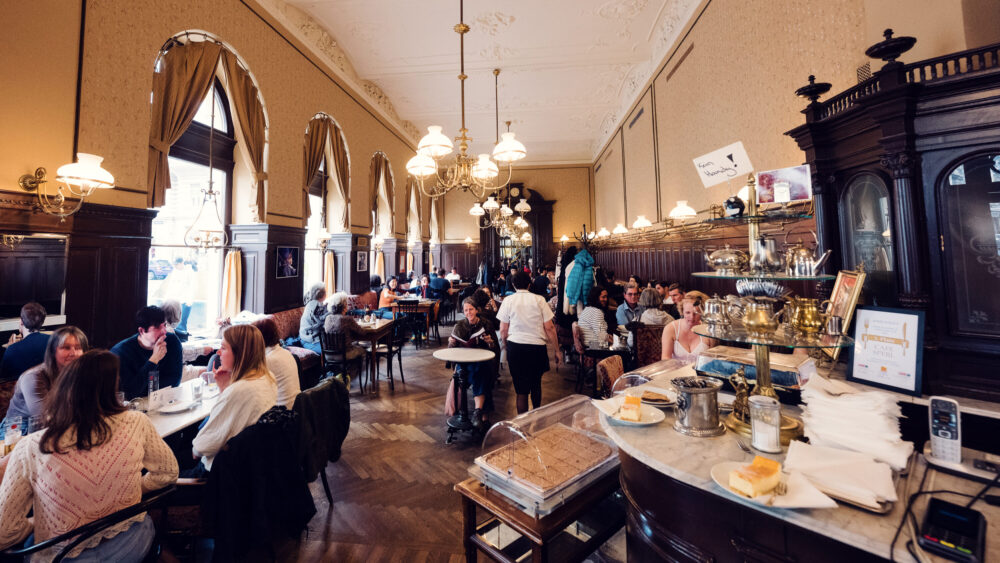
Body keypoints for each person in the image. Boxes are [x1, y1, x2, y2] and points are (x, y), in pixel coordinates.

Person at [0, 350, 178, 561]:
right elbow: (168, 473)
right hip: (135, 543)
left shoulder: (32, 447)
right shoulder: (136, 422)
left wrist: (38, 521)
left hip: (66, 555)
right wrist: (125, 494)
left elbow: (5, 533)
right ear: (111, 389)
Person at [189, 325, 277, 475]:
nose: (218, 352)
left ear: (240, 353)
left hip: (218, 476)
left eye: (223, 348)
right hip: (249, 469)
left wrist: (227, 391)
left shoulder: (240, 390)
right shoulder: (268, 378)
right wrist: (224, 389)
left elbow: (199, 450)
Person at [496, 271, 561, 413]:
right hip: (536, 348)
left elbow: (503, 329)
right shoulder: (539, 300)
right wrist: (557, 350)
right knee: (536, 385)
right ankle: (536, 415)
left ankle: (523, 423)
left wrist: (506, 345)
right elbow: (549, 327)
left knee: (521, 389)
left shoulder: (508, 300)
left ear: (513, 285)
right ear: (529, 284)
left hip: (515, 347)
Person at [5, 326, 88, 423]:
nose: (73, 353)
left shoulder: (80, 373)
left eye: (78, 348)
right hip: (19, 429)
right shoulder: (33, 377)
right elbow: (45, 420)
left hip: (61, 424)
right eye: (66, 348)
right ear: (53, 351)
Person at [111, 306, 183, 400]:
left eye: (164, 325)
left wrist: (145, 388)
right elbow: (129, 393)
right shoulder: (120, 352)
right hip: (133, 408)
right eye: (157, 327)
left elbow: (174, 382)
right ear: (141, 330)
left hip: (164, 403)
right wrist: (153, 360)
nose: (164, 332)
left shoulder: (172, 342)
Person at [449, 298, 500, 428]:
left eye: (471, 309)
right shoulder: (460, 325)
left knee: (482, 370)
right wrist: (452, 343)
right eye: (465, 310)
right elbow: (451, 352)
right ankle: (481, 414)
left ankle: (478, 411)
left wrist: (489, 342)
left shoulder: (486, 324)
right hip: (464, 362)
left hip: (482, 361)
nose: (468, 312)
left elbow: (495, 349)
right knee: (479, 373)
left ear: (477, 310)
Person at [323, 292, 371, 384]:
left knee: (355, 345)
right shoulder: (346, 319)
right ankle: (355, 379)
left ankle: (344, 376)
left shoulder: (327, 318)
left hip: (328, 355)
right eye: (346, 303)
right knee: (363, 351)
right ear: (343, 306)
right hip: (344, 354)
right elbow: (362, 332)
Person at [252, 317, 300, 409]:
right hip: (296, 409)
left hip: (281, 415)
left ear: (259, 338)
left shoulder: (268, 360)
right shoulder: (286, 353)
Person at [0, 302, 50, 382]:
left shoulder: (12, 350)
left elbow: (3, 380)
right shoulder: (53, 341)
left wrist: (10, 348)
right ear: (42, 322)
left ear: (21, 322)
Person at [661, 291, 715, 363]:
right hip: (676, 372)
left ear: (702, 312)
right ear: (682, 311)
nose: (692, 317)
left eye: (696, 313)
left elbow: (712, 360)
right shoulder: (670, 329)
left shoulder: (709, 330)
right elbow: (665, 358)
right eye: (688, 312)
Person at [299, 283, 328, 354]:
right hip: (311, 341)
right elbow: (324, 324)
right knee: (330, 351)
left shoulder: (310, 303)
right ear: (324, 295)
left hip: (303, 337)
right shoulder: (318, 306)